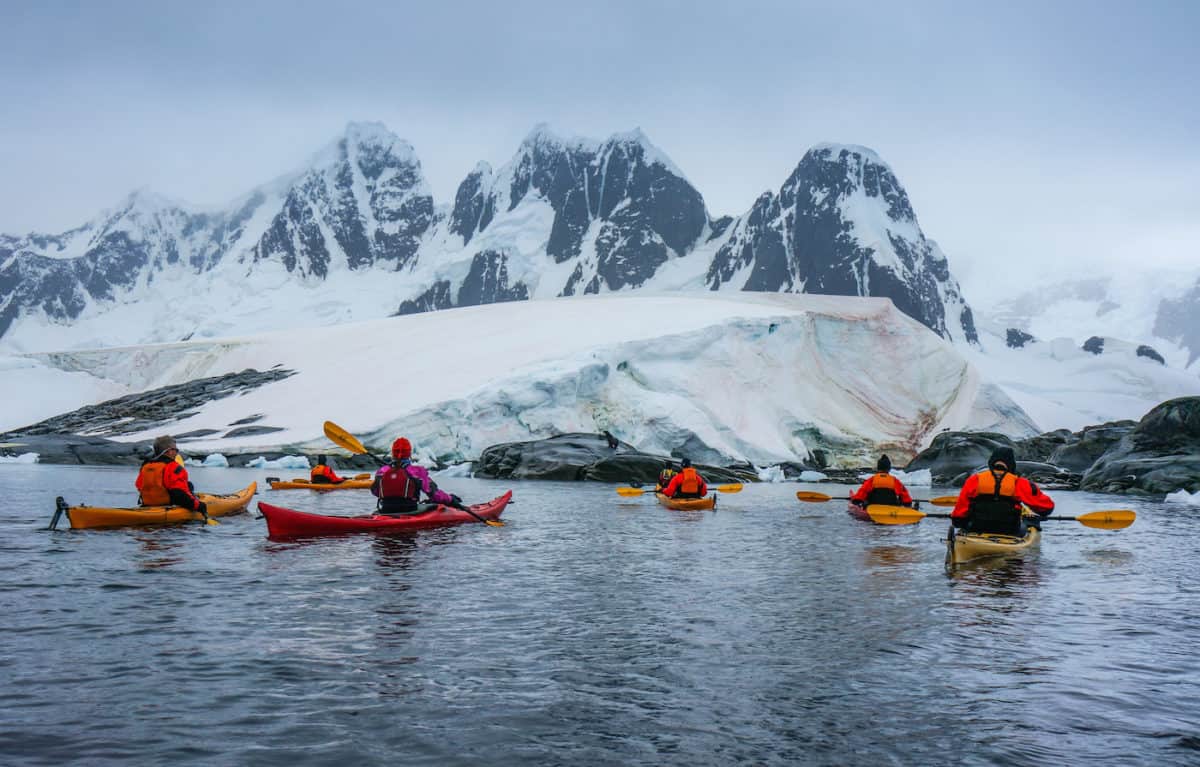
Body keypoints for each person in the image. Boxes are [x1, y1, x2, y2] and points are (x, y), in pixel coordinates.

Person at [951, 447, 1054, 535]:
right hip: (1009, 531)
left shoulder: (974, 480)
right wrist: (1034, 519)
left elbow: (958, 516)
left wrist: (961, 523)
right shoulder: (1019, 483)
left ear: (991, 463)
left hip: (977, 528)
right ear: (1011, 464)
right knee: (1027, 525)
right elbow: (1046, 507)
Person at [372, 437, 464, 514]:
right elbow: (435, 495)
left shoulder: (382, 471)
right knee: (433, 504)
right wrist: (451, 499)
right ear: (409, 453)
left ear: (393, 453)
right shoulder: (417, 472)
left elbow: (375, 491)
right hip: (410, 510)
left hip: (385, 510)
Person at [136, 435, 206, 517]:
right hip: (169, 508)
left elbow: (139, 486)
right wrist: (199, 506)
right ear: (170, 451)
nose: (176, 453)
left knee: (188, 485)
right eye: (176, 450)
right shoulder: (173, 467)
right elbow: (179, 494)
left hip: (147, 507)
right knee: (189, 486)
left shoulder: (145, 466)